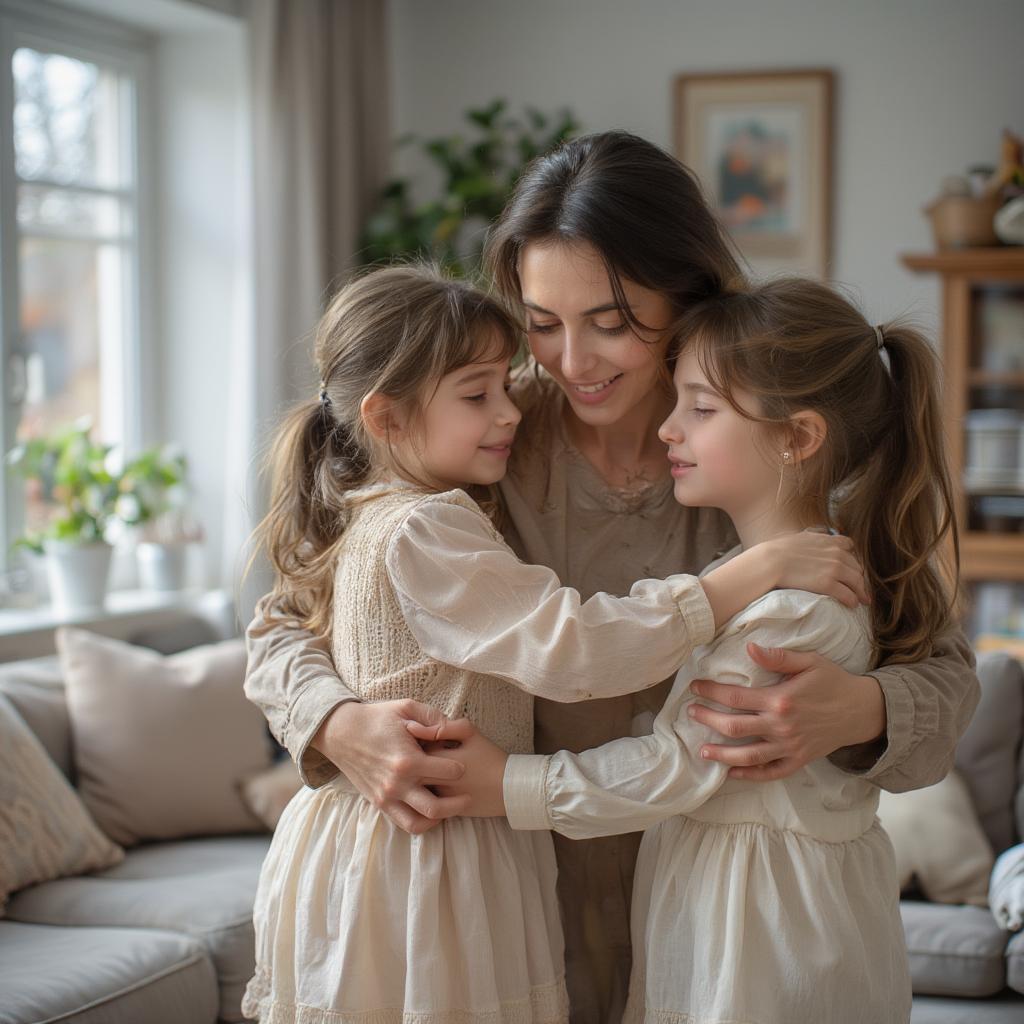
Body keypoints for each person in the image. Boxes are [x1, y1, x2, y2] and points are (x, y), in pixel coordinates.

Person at [243, 132, 980, 1023]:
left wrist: (861, 711)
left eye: (612, 321)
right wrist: (339, 723)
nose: (571, 363)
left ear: (687, 296)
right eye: (543, 325)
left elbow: (946, 679)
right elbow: (288, 619)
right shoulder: (482, 442)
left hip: (711, 926)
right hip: (513, 912)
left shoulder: (772, 450)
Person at [420, 278, 960, 1022]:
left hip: (760, 933)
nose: (671, 429)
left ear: (799, 438)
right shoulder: (752, 580)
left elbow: (678, 765)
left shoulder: (792, 617)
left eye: (700, 409)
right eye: (542, 324)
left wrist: (506, 784)